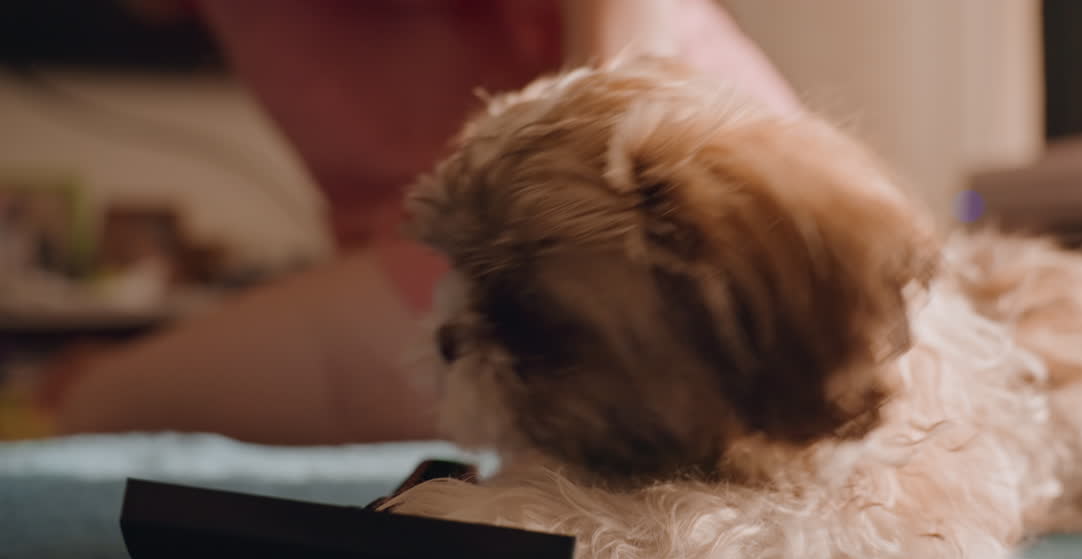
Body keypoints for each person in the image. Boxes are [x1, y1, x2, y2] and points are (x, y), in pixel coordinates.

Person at [50, 0, 800, 444]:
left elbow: (624, 84)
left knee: (100, 404)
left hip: (606, 221)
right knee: (95, 398)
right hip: (437, 242)